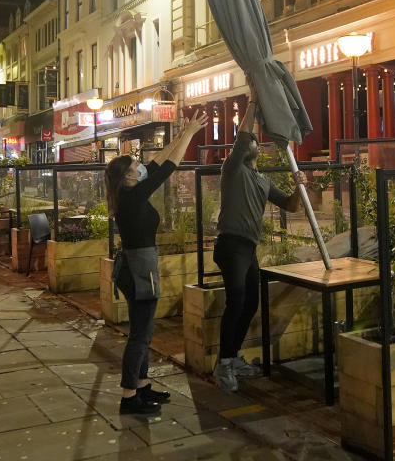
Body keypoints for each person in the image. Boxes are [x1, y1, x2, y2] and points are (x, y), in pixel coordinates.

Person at [105, 110, 208, 415]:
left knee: (145, 331)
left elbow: (154, 165)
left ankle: (141, 386)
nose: (141, 167)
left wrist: (180, 134)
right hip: (139, 271)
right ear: (127, 177)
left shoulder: (129, 192)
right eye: (135, 166)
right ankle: (128, 396)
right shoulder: (132, 198)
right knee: (140, 334)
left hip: (137, 267)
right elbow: (165, 169)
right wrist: (188, 135)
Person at [213, 96, 308, 392]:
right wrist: (254, 102)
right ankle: (224, 364)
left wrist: (300, 185)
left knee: (250, 302)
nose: (252, 140)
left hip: (248, 248)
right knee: (237, 300)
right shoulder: (233, 170)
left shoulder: (262, 180)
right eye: (249, 139)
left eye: (255, 139)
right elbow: (243, 135)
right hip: (231, 244)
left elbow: (292, 206)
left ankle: (233, 356)